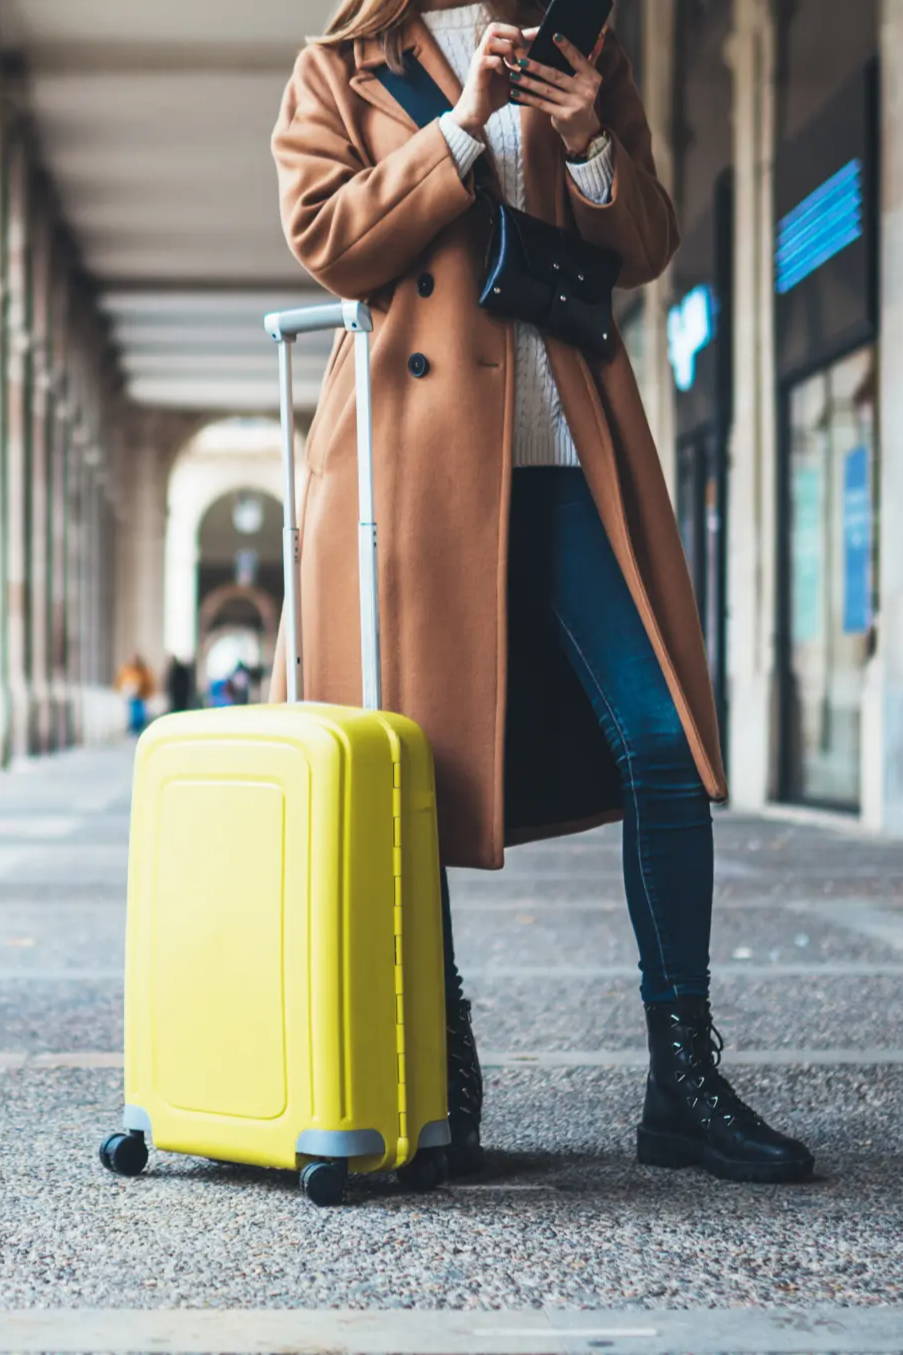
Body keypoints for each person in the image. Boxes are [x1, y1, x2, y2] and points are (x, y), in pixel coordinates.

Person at [267, 0, 815, 1184]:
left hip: (569, 451)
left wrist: (590, 145)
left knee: (663, 741)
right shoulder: (342, 65)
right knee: (418, 767)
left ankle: (684, 1078)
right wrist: (461, 128)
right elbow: (327, 236)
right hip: (410, 472)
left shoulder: (587, 46)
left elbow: (651, 240)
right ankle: (439, 1082)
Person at [114, 652, 155, 735]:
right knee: (133, 715)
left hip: (141, 697)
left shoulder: (143, 671)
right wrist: (122, 690)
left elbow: (149, 683)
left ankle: (138, 729)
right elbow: (120, 681)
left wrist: (148, 694)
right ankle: (133, 729)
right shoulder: (127, 670)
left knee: (140, 715)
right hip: (131, 697)